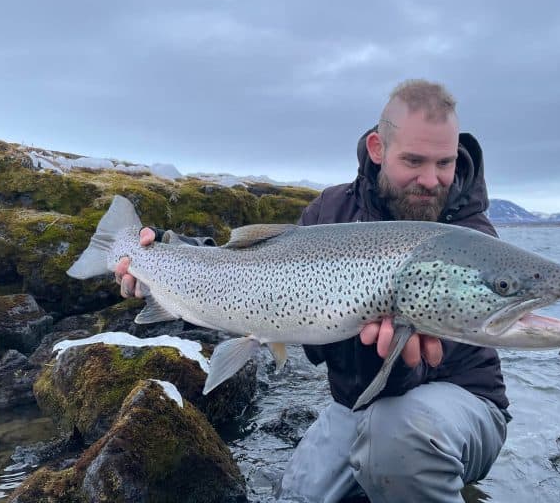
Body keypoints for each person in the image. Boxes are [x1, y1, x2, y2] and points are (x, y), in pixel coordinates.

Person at [115, 80, 509, 503]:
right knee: (300, 495)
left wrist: (400, 359)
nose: (431, 180)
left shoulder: (468, 239)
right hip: (357, 408)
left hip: (463, 406)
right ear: (378, 149)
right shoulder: (330, 211)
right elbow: (252, 263)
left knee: (398, 443)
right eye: (413, 160)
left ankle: (420, 473)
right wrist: (161, 258)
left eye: (444, 163)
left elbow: (443, 356)